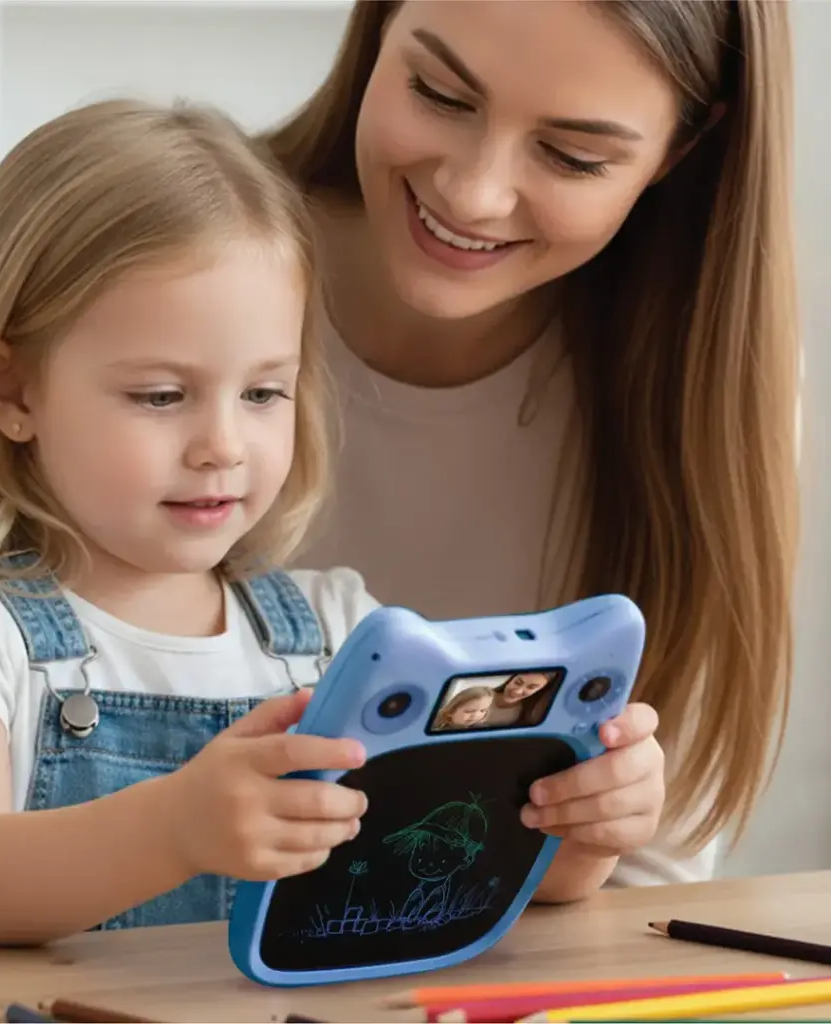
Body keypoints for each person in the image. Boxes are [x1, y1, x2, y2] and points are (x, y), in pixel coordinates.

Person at [265, 0, 799, 888]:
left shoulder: (700, 386)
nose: (473, 193)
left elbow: (648, 871)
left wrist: (594, 831)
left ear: (682, 150)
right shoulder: (154, 265)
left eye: (573, 156)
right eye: (440, 94)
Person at [0, 99, 381, 947]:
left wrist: (565, 832)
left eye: (263, 391)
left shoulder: (342, 632)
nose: (223, 445)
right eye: (161, 395)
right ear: (13, 391)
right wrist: (175, 828)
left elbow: (431, 867)